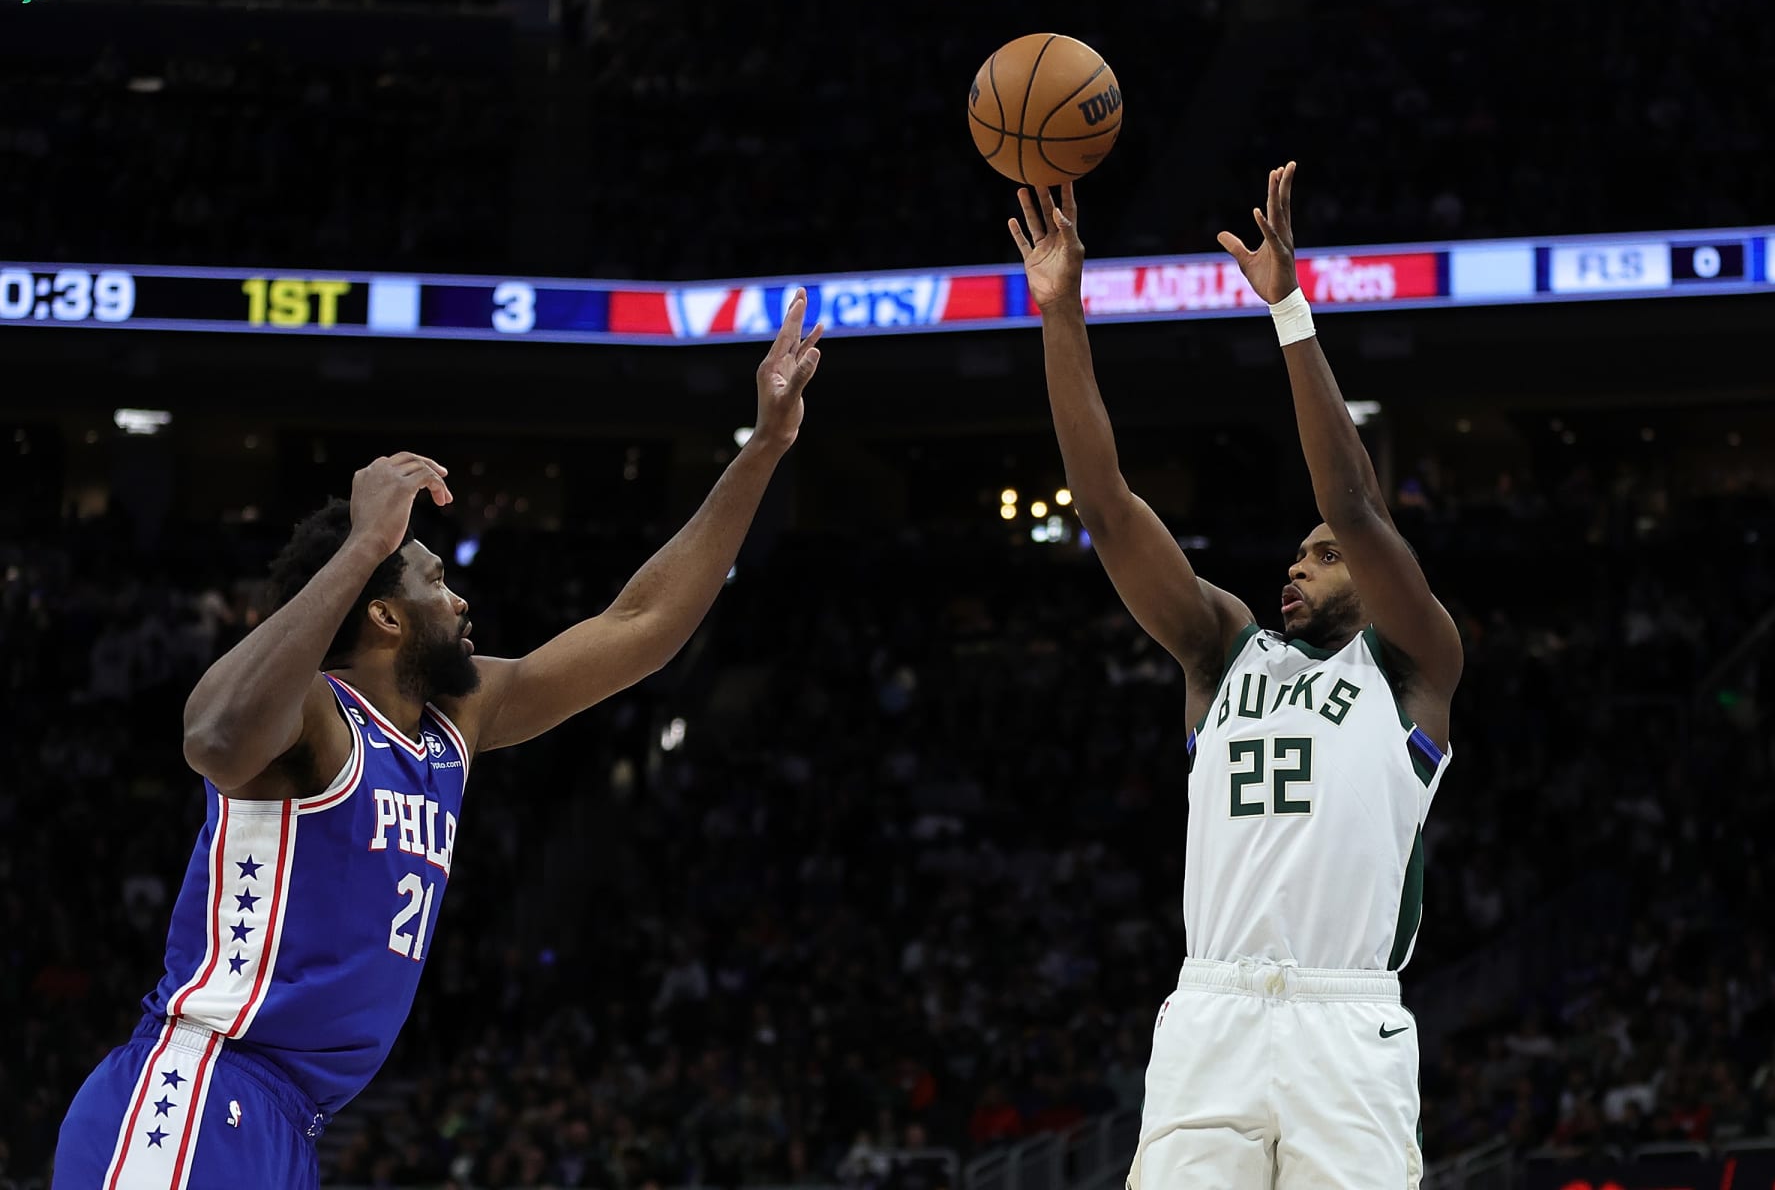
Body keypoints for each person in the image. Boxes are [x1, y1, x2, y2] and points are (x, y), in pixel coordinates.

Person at [51, 294, 826, 1188]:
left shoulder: (456, 721)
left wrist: (764, 448)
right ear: (382, 614)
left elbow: (640, 626)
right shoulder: (314, 717)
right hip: (198, 1088)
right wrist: (365, 544)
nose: (461, 600)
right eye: (433, 579)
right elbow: (213, 737)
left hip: (293, 1123)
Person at [1008, 164, 1463, 1187]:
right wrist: (1061, 312)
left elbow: (1354, 505)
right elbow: (1106, 506)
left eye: (1324, 556)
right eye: (1295, 555)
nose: (1298, 566)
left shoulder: (1415, 665)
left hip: (1344, 1020)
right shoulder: (1223, 650)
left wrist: (1288, 310)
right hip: (1212, 1013)